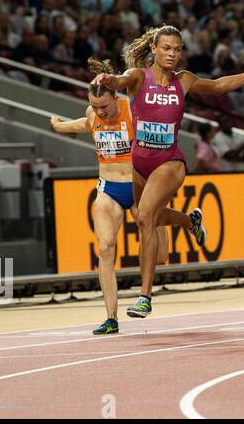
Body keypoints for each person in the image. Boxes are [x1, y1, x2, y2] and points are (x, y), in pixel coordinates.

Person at [90, 24, 244, 318]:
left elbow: (219, 86)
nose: (172, 54)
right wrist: (109, 79)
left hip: (170, 162)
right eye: (166, 48)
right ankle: (190, 222)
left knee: (146, 217)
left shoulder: (184, 80)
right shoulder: (139, 77)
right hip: (139, 163)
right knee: (147, 216)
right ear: (154, 49)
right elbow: (120, 79)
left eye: (177, 49)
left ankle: (144, 297)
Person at [48, 58, 171, 334]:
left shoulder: (134, 109)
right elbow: (83, 124)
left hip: (141, 186)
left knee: (161, 256)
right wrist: (58, 126)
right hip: (110, 189)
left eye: (104, 106)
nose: (100, 112)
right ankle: (111, 318)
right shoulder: (93, 114)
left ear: (115, 97)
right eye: (95, 107)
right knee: (105, 248)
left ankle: (177, 220)